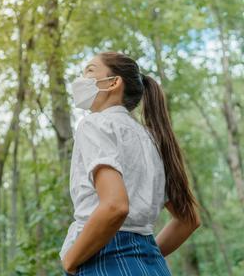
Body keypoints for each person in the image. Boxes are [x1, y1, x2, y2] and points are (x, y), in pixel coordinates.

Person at [60, 51, 201, 276]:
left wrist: (70, 260)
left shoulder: (95, 124)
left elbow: (115, 206)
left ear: (113, 83)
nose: (82, 79)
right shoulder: (152, 138)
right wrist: (144, 255)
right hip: (154, 266)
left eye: (90, 70)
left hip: (104, 260)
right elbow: (188, 220)